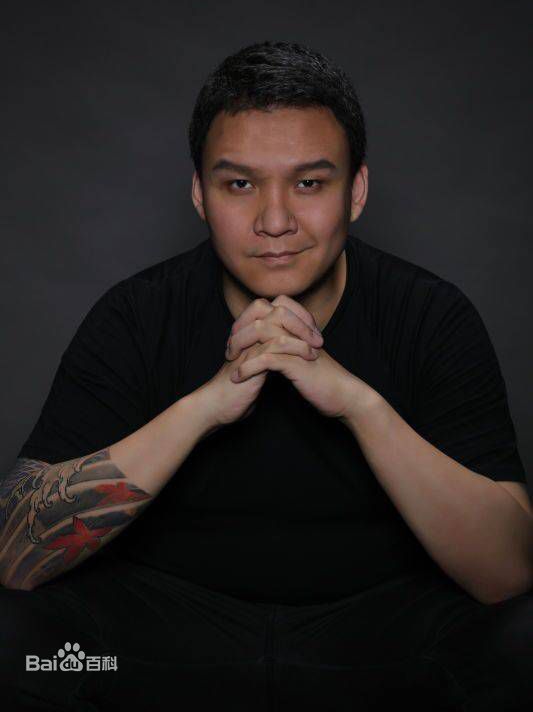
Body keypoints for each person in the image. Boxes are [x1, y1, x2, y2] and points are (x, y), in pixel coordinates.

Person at [1, 40, 532, 712]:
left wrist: (358, 405)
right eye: (239, 184)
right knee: (16, 644)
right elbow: (14, 555)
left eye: (309, 184)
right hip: (157, 642)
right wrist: (204, 407)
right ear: (200, 194)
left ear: (356, 191)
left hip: (384, 642)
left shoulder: (429, 315)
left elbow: (507, 572)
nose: (275, 223)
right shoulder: (136, 316)